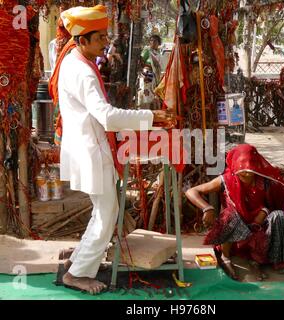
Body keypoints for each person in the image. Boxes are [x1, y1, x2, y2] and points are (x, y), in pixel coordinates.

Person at [50, 5, 174, 294]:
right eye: (100, 38)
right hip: (91, 150)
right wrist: (150, 117)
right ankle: (78, 274)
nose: (105, 42)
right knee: (107, 213)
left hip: (86, 147)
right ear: (82, 40)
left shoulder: (72, 59)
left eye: (105, 36)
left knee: (103, 210)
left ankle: (80, 258)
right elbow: (106, 116)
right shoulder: (83, 71)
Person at [185, 144, 284, 281]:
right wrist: (207, 208)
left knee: (279, 215)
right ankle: (225, 256)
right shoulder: (226, 180)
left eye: (250, 169)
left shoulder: (264, 181)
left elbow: (273, 204)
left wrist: (263, 213)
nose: (247, 173)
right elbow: (191, 191)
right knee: (231, 214)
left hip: (258, 224)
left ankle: (266, 260)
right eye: (242, 168)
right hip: (235, 228)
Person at [137, 35, 162, 108]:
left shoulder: (158, 54)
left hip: (154, 76)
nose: (153, 42)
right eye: (151, 40)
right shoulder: (147, 51)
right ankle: (142, 109)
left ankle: (149, 110)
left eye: (155, 41)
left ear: (159, 43)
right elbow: (141, 61)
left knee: (152, 93)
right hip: (146, 74)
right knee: (145, 91)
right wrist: (144, 72)